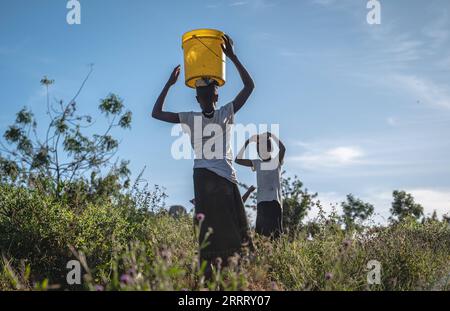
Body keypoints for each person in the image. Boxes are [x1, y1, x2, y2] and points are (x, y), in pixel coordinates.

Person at [152, 34, 255, 275]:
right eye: (207, 95)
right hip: (220, 179)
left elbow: (156, 113)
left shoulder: (191, 117)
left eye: (209, 95)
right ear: (208, 97)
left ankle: (213, 276)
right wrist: (232, 57)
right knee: (233, 231)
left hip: (205, 178)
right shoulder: (224, 113)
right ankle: (229, 276)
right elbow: (250, 87)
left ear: (200, 98)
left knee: (211, 231)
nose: (208, 98)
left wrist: (169, 84)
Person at [235, 132, 286, 238]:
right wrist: (247, 142)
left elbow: (283, 149)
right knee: (261, 236)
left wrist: (272, 135)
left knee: (276, 235)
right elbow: (237, 160)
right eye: (258, 149)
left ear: (270, 148)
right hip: (261, 203)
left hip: (274, 202)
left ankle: (276, 253)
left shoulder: (276, 161)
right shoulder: (257, 163)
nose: (260, 151)